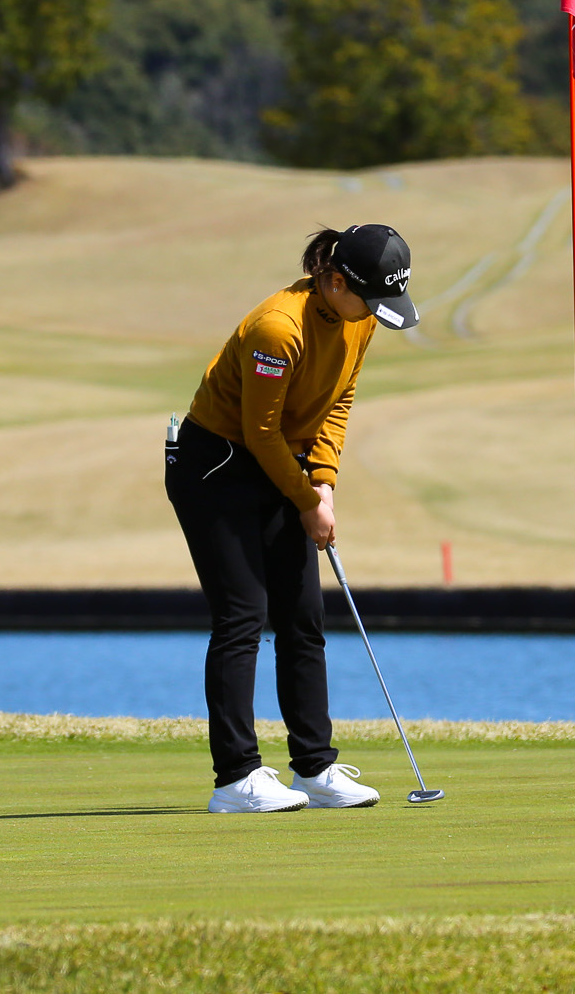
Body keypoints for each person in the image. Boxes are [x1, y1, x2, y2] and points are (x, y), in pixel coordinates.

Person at [165, 223, 418, 813]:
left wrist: (323, 483)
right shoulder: (278, 329)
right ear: (334, 281)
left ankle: (314, 767)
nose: (378, 315)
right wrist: (306, 502)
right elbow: (259, 432)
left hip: (286, 462)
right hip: (217, 465)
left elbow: (339, 402)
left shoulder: (359, 318)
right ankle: (235, 779)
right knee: (243, 616)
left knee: (303, 616)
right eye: (371, 301)